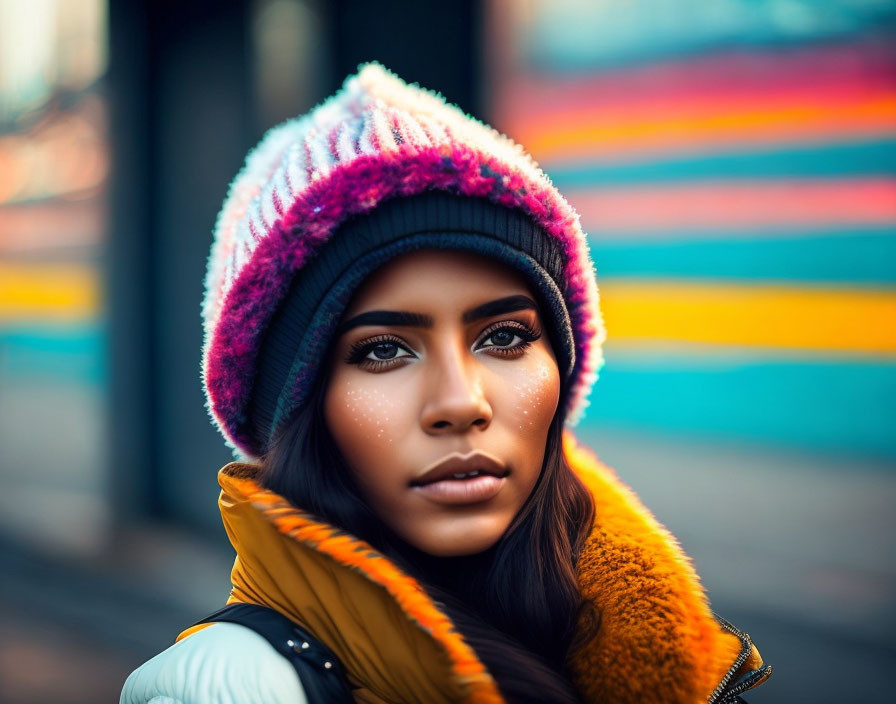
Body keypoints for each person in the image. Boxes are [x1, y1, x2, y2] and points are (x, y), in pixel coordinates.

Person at [121, 62, 771, 704]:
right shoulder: (232, 690)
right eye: (382, 350)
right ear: (295, 410)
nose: (461, 403)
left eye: (506, 337)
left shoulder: (670, 649)